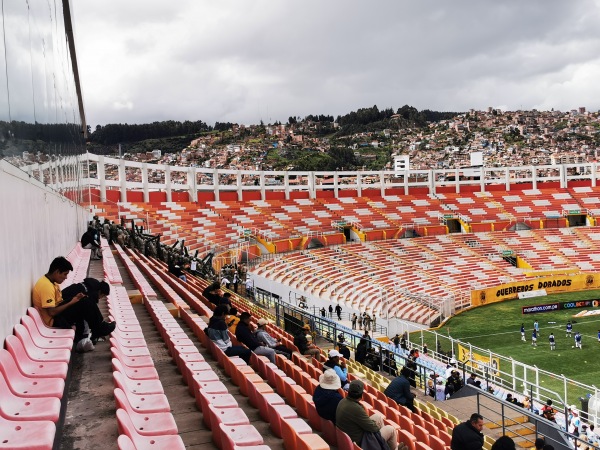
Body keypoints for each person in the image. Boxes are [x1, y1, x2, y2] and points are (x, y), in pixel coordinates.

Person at [32, 257, 116, 351]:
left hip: (58, 315)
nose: (66, 277)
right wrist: (72, 302)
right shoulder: (46, 286)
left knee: (84, 299)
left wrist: (75, 299)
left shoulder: (52, 283)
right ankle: (100, 328)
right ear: (57, 272)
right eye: (64, 274)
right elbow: (51, 312)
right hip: (54, 320)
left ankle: (95, 330)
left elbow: (59, 303)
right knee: (85, 302)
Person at [337, 379, 400, 450]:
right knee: (390, 429)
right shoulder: (356, 408)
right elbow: (373, 428)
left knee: (377, 417)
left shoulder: (342, 401)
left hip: (351, 435)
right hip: (361, 442)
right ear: (361, 395)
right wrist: (372, 425)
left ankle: (383, 446)